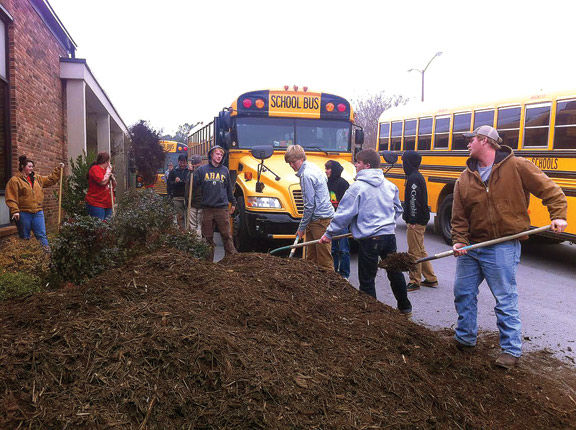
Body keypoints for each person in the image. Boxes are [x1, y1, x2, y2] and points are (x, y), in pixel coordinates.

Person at [451, 125, 568, 369]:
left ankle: (511, 350)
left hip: (501, 245)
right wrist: (459, 240)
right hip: (472, 247)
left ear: (484, 141)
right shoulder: (465, 177)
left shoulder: (517, 167)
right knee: (463, 293)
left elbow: (551, 190)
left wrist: (558, 215)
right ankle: (465, 338)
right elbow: (459, 215)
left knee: (504, 298)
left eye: (471, 140)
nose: (468, 144)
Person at [319, 149, 412, 316]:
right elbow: (398, 209)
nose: (355, 165)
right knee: (394, 271)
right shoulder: (390, 185)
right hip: (389, 236)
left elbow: (344, 214)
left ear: (367, 165)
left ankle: (371, 316)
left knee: (367, 279)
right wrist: (386, 222)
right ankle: (405, 308)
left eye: (358, 162)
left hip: (370, 239)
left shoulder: (357, 188)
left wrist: (328, 234)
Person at [285, 145, 334, 269]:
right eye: (289, 162)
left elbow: (309, 205)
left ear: (301, 158)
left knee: (324, 260)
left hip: (320, 220)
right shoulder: (313, 167)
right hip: (317, 218)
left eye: (293, 162)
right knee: (311, 259)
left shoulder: (306, 175)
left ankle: (329, 287)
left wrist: (301, 228)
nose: (291, 165)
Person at [5, 155, 64, 248]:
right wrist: (15, 211)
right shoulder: (15, 180)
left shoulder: (37, 178)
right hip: (23, 213)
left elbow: (50, 180)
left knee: (42, 235)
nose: (31, 168)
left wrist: (58, 170)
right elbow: (11, 197)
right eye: (29, 166)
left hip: (38, 212)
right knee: (25, 237)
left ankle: (47, 256)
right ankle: (26, 258)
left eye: (32, 166)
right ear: (23, 167)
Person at [401, 150, 438, 292]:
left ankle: (414, 280)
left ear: (409, 163)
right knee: (421, 250)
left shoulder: (413, 178)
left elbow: (413, 201)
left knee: (414, 251)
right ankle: (431, 278)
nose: (403, 165)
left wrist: (412, 220)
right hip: (420, 219)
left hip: (416, 221)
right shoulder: (416, 176)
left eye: (404, 162)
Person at [193, 145, 237, 261]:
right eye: (217, 154)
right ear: (211, 155)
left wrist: (233, 202)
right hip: (207, 209)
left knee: (226, 235)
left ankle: (230, 259)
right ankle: (208, 262)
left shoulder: (225, 170)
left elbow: (229, 189)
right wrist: (191, 173)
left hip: (222, 209)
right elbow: (194, 186)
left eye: (221, 155)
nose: (219, 156)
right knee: (207, 237)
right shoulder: (202, 170)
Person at [325, 159, 350, 279]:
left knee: (343, 249)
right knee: (333, 249)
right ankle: (334, 272)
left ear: (334, 170)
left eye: (328, 168)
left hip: (342, 221)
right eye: (325, 168)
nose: (326, 171)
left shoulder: (344, 184)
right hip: (330, 220)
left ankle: (344, 274)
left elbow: (348, 204)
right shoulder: (325, 183)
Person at [85, 152, 116, 220]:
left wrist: (112, 178)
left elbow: (114, 185)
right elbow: (102, 182)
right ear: (106, 161)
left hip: (108, 204)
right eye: (109, 161)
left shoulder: (107, 171)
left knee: (108, 228)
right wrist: (108, 172)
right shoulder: (95, 169)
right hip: (96, 204)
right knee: (99, 228)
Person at [168, 154, 189, 229]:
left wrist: (182, 181)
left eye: (184, 162)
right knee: (180, 216)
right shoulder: (173, 171)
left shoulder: (189, 171)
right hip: (177, 197)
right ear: (178, 162)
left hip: (188, 198)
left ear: (186, 162)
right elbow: (169, 183)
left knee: (188, 216)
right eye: (181, 162)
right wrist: (175, 182)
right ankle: (182, 232)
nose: (182, 164)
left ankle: (189, 232)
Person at [184, 154, 203, 235]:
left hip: (193, 202)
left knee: (193, 225)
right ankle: (198, 242)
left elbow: (191, 186)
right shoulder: (202, 172)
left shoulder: (192, 173)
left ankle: (196, 242)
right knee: (199, 225)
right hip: (199, 202)